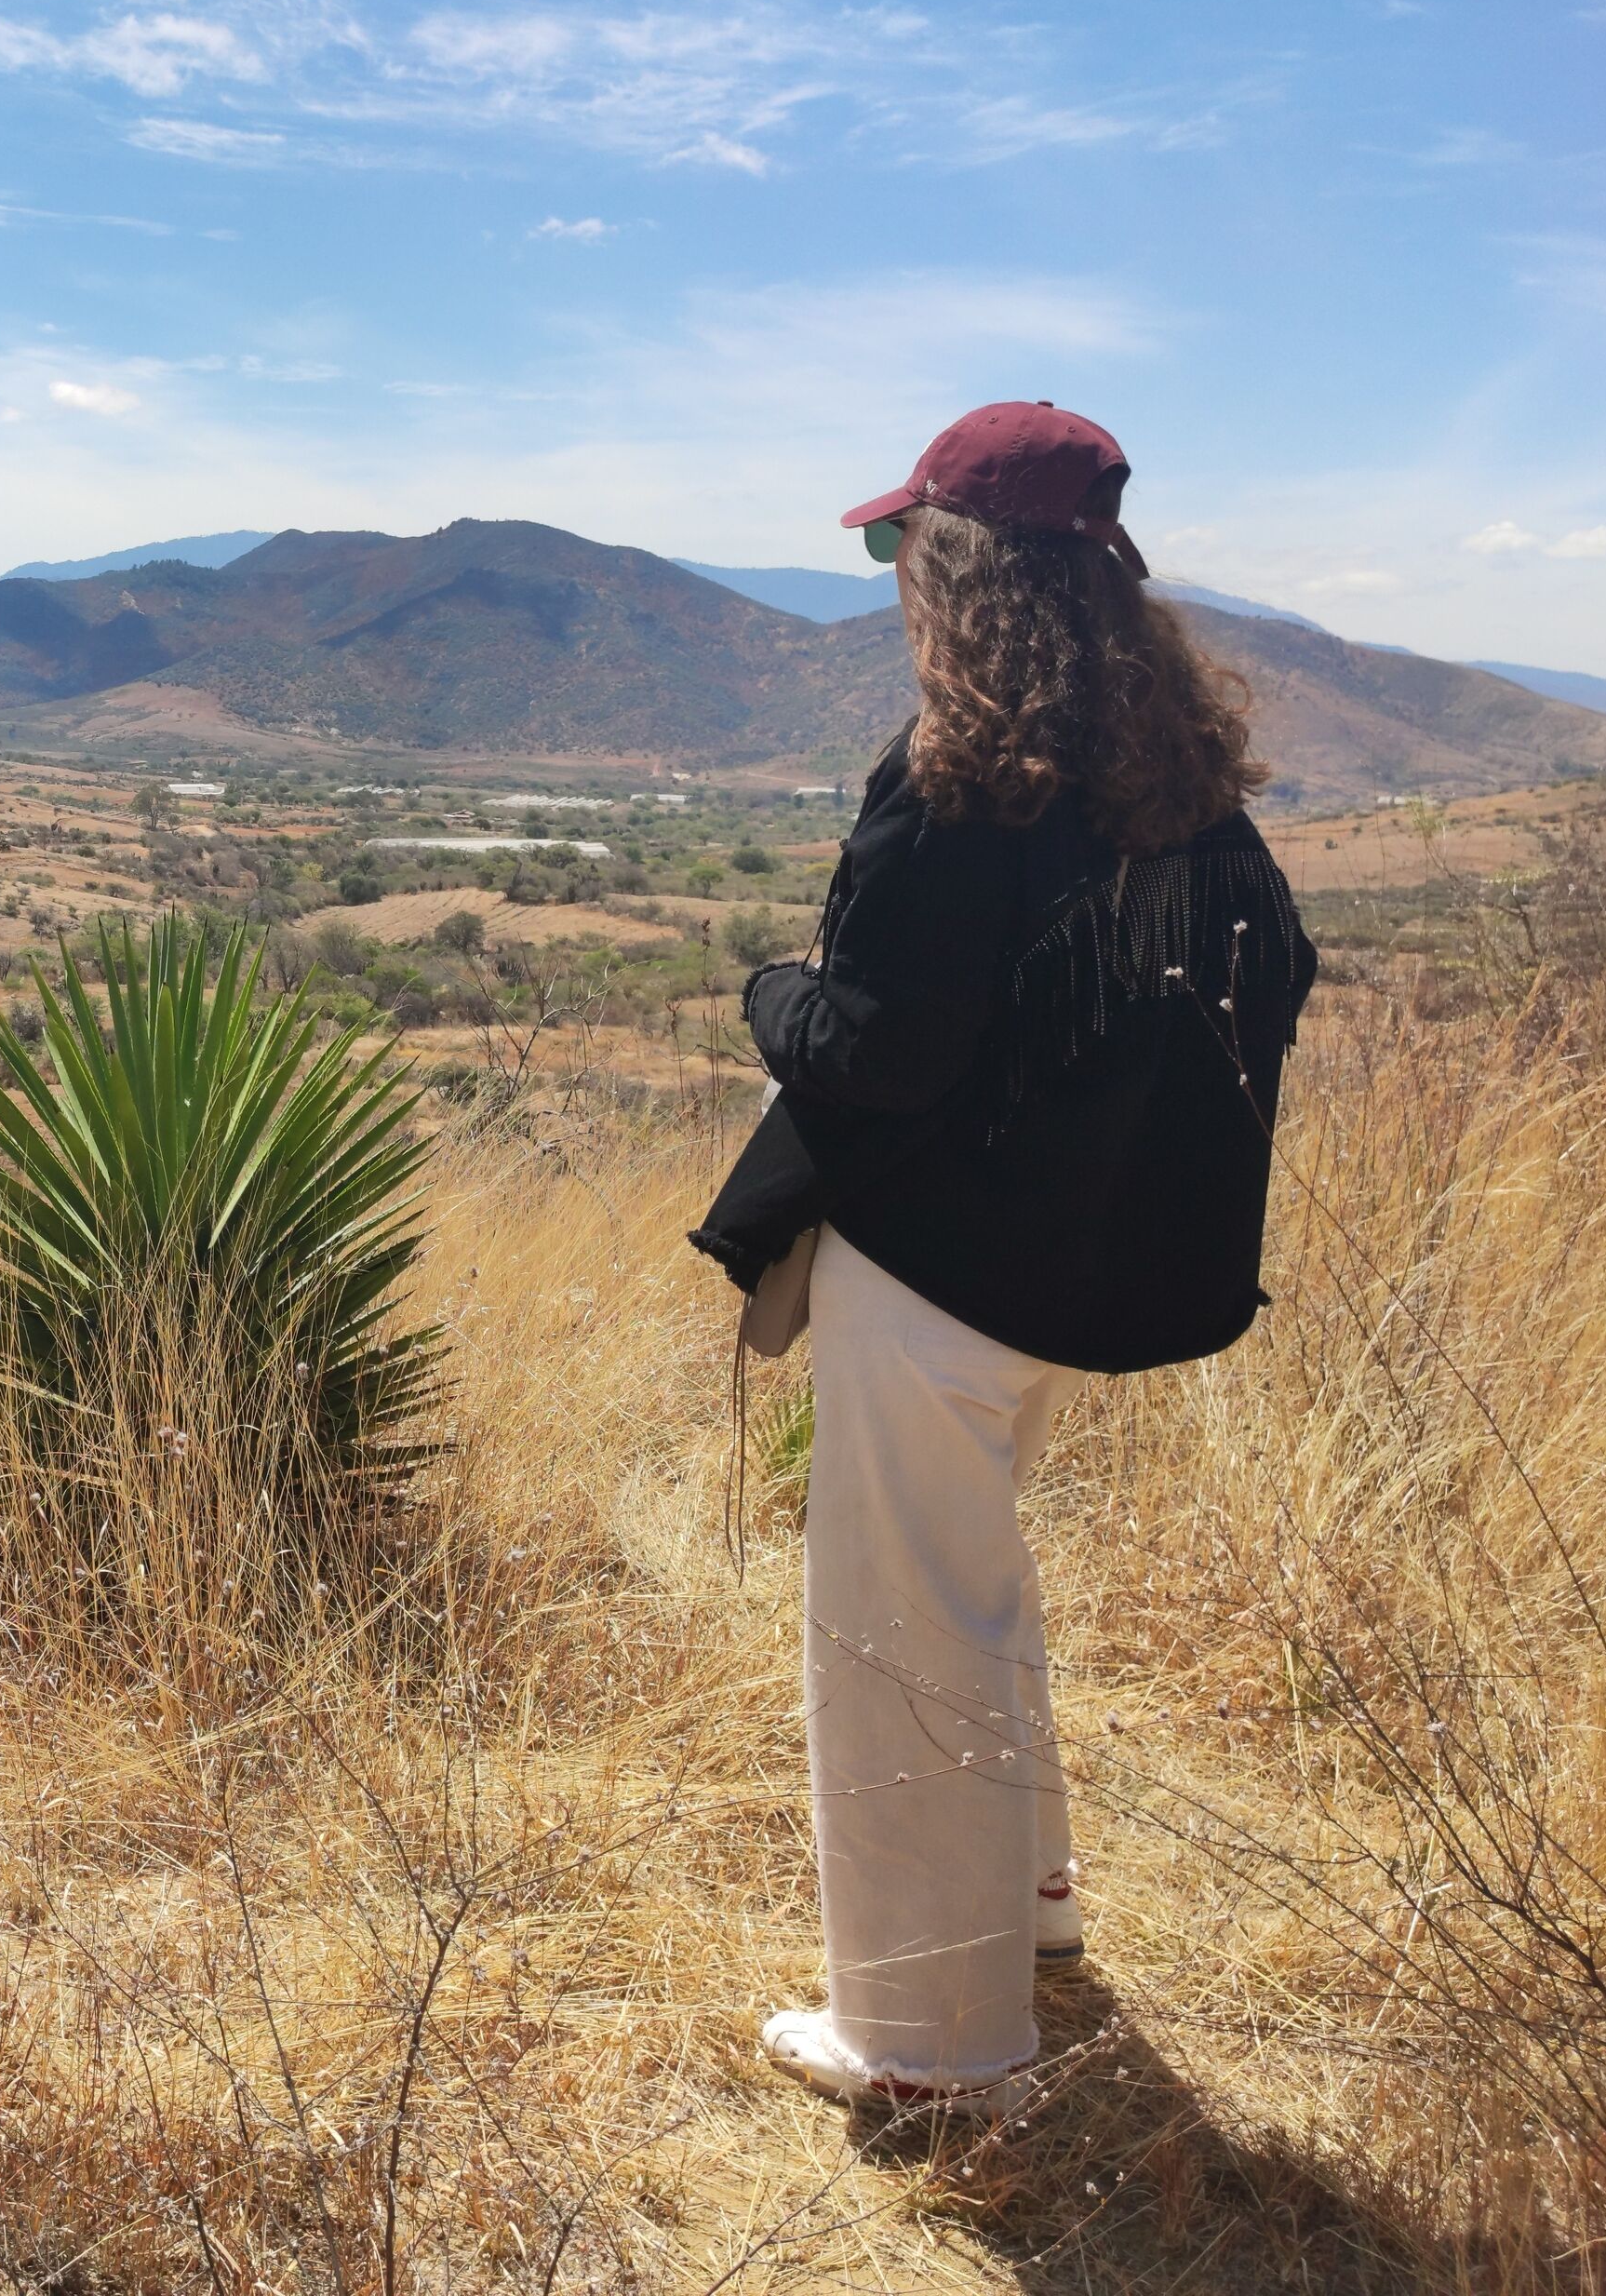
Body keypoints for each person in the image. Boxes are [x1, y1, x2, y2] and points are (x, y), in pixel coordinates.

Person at [691, 401, 1317, 2121]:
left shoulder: (962, 778)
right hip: (1075, 1276)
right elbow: (1261, 982)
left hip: (931, 1276)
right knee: (976, 1591)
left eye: (902, 544)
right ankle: (1030, 1911)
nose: (892, 570)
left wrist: (767, 990)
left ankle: (927, 2047)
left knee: (901, 1633)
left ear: (958, 569)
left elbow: (873, 1049)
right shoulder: (1178, 780)